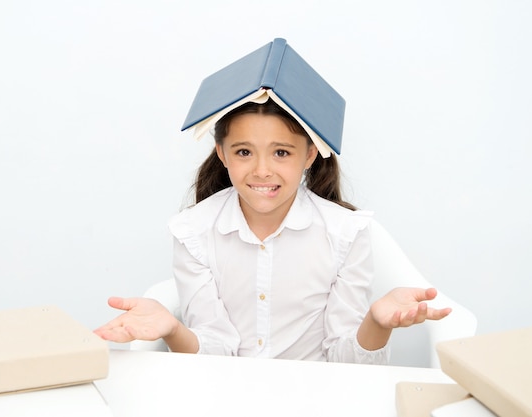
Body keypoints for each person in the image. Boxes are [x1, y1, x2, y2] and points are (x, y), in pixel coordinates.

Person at [94, 98, 452, 363]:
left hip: (317, 397)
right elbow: (214, 351)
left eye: (281, 152)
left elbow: (347, 364)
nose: (262, 170)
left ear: (310, 154)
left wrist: (376, 321)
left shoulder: (345, 233)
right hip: (225, 393)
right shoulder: (193, 231)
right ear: (222, 153)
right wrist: (174, 329)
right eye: (244, 152)